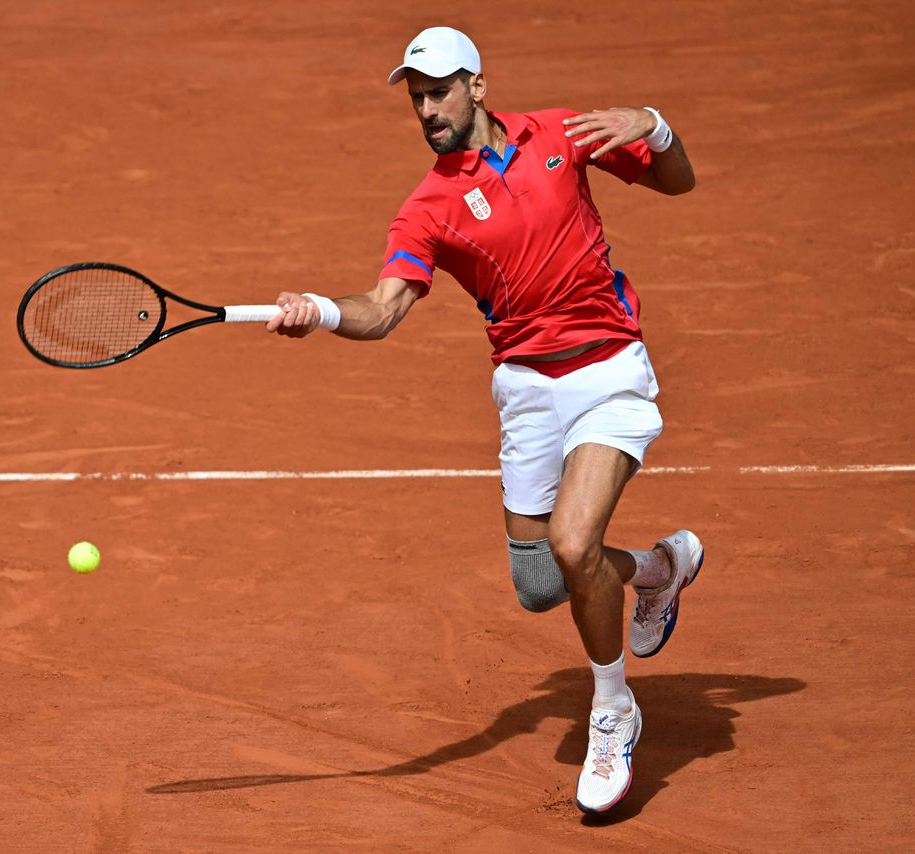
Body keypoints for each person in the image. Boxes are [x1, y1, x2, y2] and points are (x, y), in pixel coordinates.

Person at [265, 26, 703, 815]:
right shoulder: (428, 208)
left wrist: (656, 124)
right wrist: (323, 311)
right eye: (416, 96)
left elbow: (679, 181)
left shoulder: (562, 136)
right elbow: (385, 308)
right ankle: (660, 571)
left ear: (477, 86)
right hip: (528, 390)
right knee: (542, 582)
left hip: (607, 369)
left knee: (573, 543)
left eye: (439, 90)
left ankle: (613, 711)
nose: (427, 107)